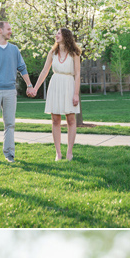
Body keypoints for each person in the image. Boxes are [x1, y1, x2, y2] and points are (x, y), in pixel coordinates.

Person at [0, 20, 33, 166]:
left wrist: (29, 85)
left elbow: (22, 68)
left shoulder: (14, 49)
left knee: (10, 124)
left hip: (10, 91)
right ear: (0, 30)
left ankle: (9, 154)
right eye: (8, 29)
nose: (10, 31)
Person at [29, 27, 82, 162]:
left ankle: (69, 152)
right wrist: (35, 88)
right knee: (55, 120)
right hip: (55, 85)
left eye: (59, 33)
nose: (56, 35)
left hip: (69, 85)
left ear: (66, 36)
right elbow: (44, 71)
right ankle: (58, 153)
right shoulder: (52, 52)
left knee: (70, 119)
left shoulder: (75, 53)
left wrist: (76, 94)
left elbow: (77, 75)